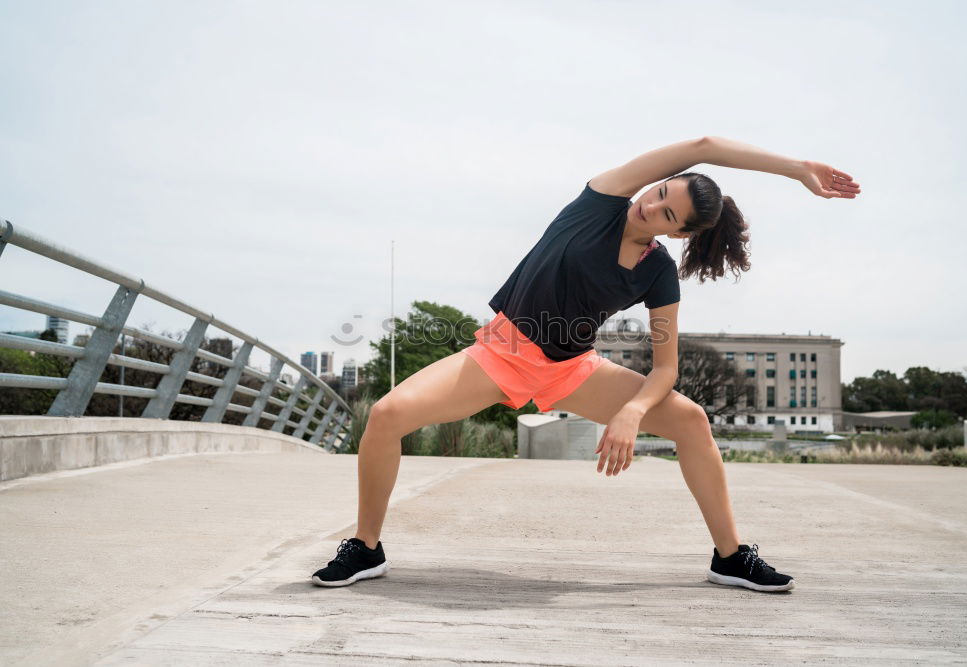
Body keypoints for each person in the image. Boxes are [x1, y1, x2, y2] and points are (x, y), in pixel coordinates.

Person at [311, 135, 861, 592]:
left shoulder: (658, 273)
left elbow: (665, 369)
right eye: (660, 191)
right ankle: (366, 548)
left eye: (667, 213)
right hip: (501, 352)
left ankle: (730, 556)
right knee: (385, 416)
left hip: (571, 369)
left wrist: (633, 412)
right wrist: (796, 169)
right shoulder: (603, 198)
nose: (651, 205)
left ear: (680, 232)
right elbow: (705, 144)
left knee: (691, 420)